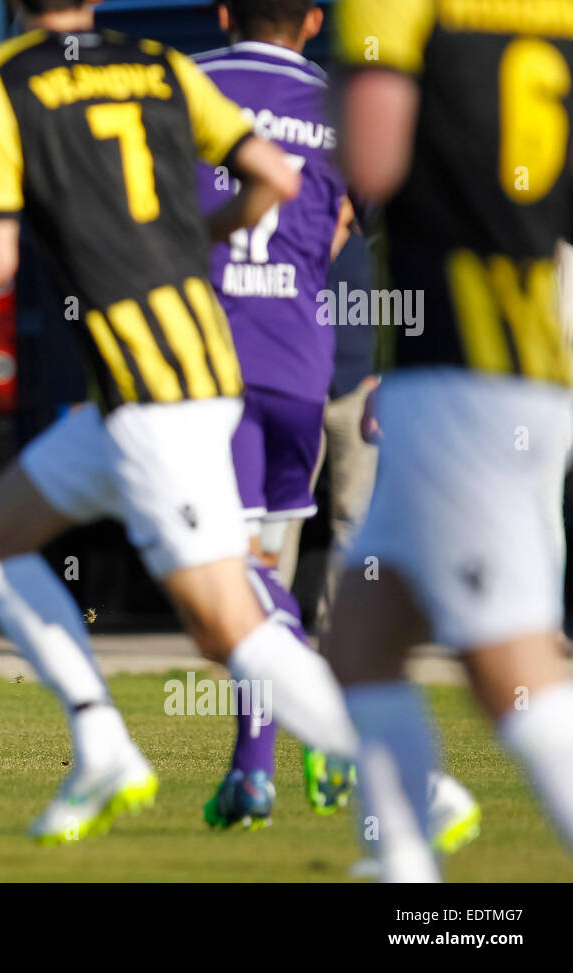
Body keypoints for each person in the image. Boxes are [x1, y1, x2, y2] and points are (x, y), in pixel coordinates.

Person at [0, 0, 367, 845]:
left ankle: (399, 775)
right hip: (232, 362)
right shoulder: (161, 66)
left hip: (158, 381)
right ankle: (104, 744)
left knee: (225, 619)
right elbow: (287, 186)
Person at [328, 0, 573, 880]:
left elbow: (373, 156)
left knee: (507, 663)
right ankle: (399, 867)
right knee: (363, 630)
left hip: (467, 359)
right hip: (530, 338)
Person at [193, 0, 355, 829]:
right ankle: (251, 772)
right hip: (300, 365)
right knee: (261, 570)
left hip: (209, 364)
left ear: (224, 12)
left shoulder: (187, 84)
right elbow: (341, 224)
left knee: (222, 583)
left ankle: (321, 716)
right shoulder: (339, 101)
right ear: (315, 21)